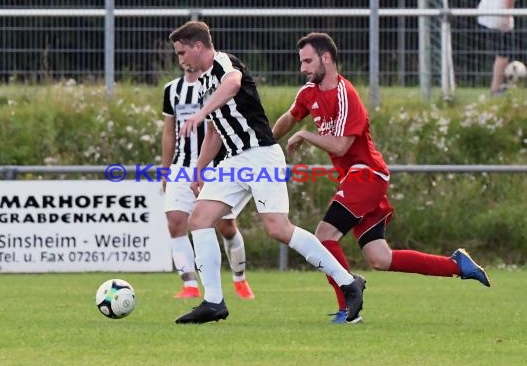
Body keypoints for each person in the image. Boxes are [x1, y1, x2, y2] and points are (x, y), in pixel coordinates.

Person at [272, 32, 491, 323]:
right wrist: (262, 143)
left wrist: (304, 134)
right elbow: (290, 117)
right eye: (301, 62)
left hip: (367, 175)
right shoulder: (308, 92)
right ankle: (457, 265)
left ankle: (347, 308)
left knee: (324, 236)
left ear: (327, 58)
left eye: (308, 61)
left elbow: (341, 146)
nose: (303, 68)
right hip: (354, 179)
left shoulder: (345, 94)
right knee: (380, 258)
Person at [169, 21, 366, 325]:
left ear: (198, 46)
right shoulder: (205, 85)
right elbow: (214, 134)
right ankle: (213, 302)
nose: (180, 59)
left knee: (278, 228)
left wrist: (200, 112)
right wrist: (198, 170)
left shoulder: (223, 63)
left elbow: (233, 83)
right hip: (234, 161)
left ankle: (347, 281)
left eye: (182, 52)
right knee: (199, 219)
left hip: (260, 155)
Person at [162, 63, 255, 300]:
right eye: (179, 54)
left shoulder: (215, 85)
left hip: (214, 165)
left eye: (185, 52)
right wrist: (165, 170)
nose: (182, 58)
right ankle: (190, 284)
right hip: (181, 166)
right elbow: (168, 132)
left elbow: (220, 129)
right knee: (175, 221)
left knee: (225, 226)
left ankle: (239, 278)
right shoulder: (171, 89)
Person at [477, 0, 522, 95]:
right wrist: (507, 20)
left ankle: (500, 85)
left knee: (503, 53)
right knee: (503, 54)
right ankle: (495, 89)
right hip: (498, 18)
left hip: (485, 14)